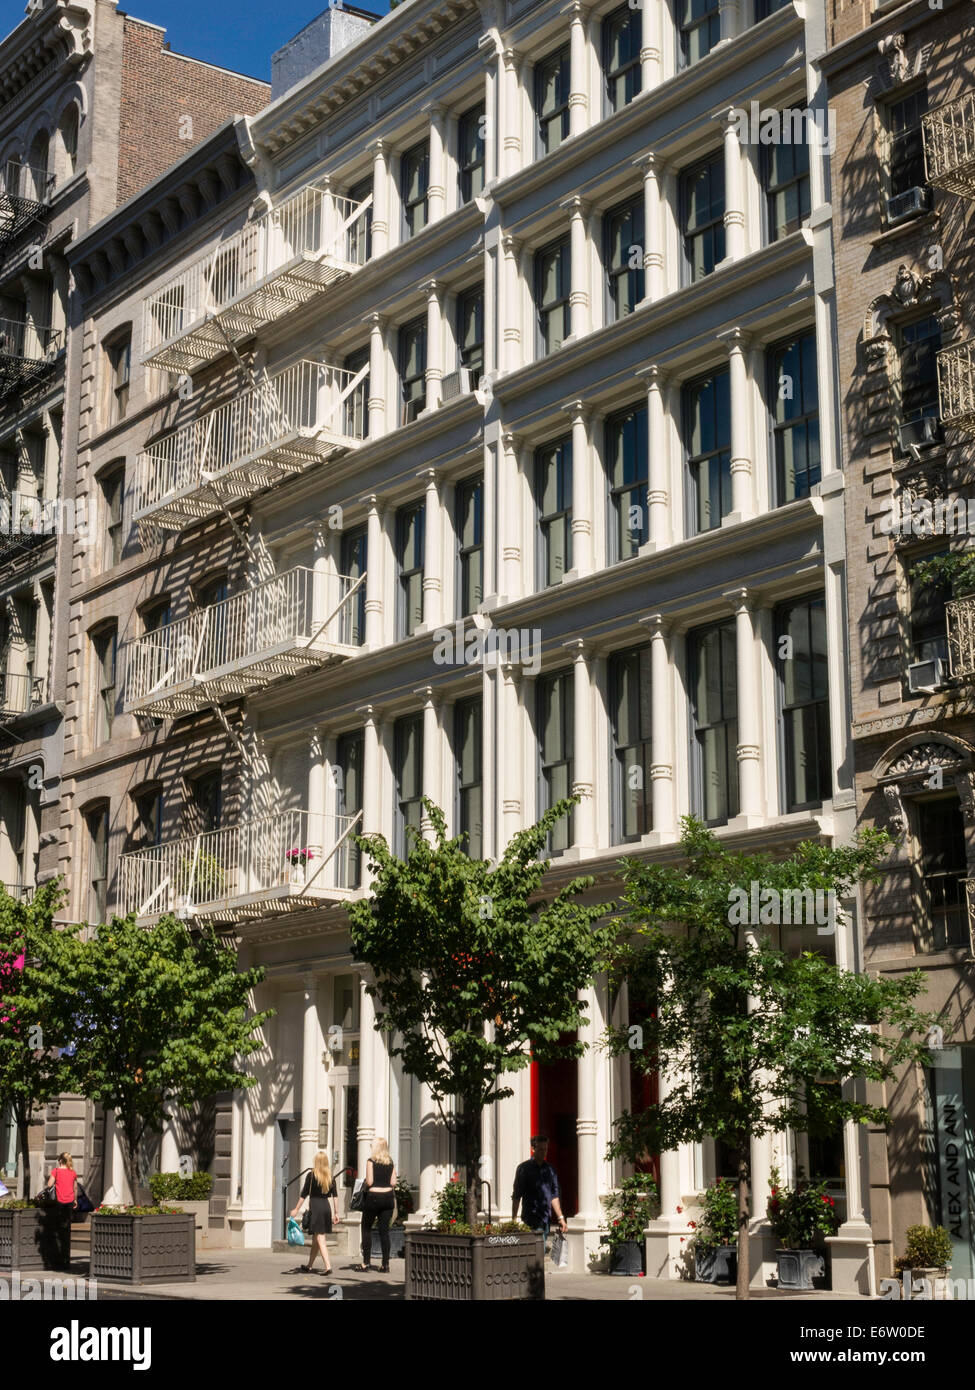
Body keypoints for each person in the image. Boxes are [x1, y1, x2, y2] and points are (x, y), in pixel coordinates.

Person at [512, 1135, 567, 1248]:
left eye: (545, 1149)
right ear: (533, 1149)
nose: (544, 1152)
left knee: (538, 1253)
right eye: (541, 1149)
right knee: (537, 1251)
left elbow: (554, 1196)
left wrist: (560, 1217)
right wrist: (513, 1219)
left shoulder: (550, 1170)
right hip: (530, 1218)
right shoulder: (524, 1168)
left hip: (546, 1219)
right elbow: (517, 1195)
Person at [290, 1150, 339, 1276]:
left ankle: (328, 1267)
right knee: (315, 1239)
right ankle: (309, 1265)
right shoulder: (330, 1177)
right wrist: (336, 1213)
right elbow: (335, 1196)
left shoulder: (311, 1175)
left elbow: (303, 1194)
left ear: (316, 1162)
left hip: (316, 1207)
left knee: (320, 1237)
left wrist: (296, 1209)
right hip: (326, 1207)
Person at [355, 1137, 396, 1273]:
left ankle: (366, 1263)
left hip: (374, 1197)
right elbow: (393, 1182)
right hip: (388, 1197)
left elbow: (370, 1182)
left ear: (376, 1147)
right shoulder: (390, 1162)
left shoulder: (370, 1161)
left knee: (366, 1228)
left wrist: (365, 1182)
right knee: (384, 1232)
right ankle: (385, 1264)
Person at [45, 1152, 79, 1266]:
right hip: (69, 1202)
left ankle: (57, 1260)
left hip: (58, 1203)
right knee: (66, 1231)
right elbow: (75, 1187)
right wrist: (75, 1200)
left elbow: (49, 1185)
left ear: (60, 1160)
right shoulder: (73, 1172)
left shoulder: (56, 1171)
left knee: (57, 1230)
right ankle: (66, 1260)